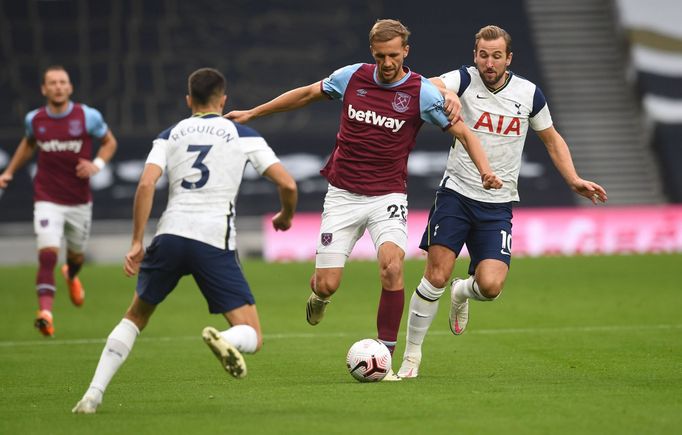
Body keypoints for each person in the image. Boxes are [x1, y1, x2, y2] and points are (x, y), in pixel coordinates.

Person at [227, 19, 502, 380]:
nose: (387, 63)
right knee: (327, 283)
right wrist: (253, 113)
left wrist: (485, 170)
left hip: (387, 195)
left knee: (392, 266)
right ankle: (320, 298)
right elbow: (307, 93)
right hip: (342, 194)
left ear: (405, 51)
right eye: (380, 56)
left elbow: (464, 132)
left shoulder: (420, 92)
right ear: (372, 53)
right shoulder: (352, 77)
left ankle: (385, 358)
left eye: (393, 55)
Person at [72, 67, 298, 414]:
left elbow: (146, 184)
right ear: (223, 100)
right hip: (212, 240)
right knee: (252, 334)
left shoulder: (170, 134)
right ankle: (224, 339)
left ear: (189, 100)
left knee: (135, 316)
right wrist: (285, 215)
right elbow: (288, 184)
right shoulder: (243, 135)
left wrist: (136, 241)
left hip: (170, 235)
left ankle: (93, 394)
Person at [397, 25, 609, 378]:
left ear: (508, 58)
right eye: (484, 55)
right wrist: (445, 94)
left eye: (497, 56)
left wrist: (573, 179)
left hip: (497, 204)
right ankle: (411, 358)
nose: (489, 62)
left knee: (491, 286)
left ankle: (462, 293)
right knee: (435, 274)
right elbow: (424, 84)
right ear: (474, 55)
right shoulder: (464, 80)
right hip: (456, 194)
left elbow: (552, 139)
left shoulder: (529, 94)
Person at [0, 65, 117, 337]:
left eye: (62, 82)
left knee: (75, 257)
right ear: (44, 89)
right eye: (52, 83)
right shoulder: (35, 120)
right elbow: (29, 144)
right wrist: (8, 172)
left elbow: (110, 142)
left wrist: (97, 164)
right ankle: (45, 313)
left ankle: (72, 274)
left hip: (79, 202)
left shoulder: (87, 116)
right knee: (48, 253)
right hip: (47, 198)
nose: (58, 87)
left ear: (70, 87)